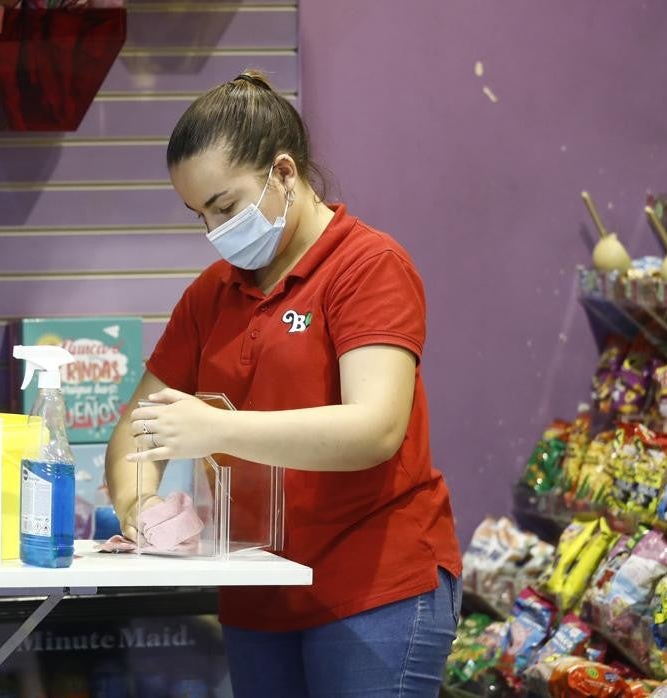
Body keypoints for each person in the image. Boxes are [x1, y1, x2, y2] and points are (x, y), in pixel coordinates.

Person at [104, 71, 463, 697]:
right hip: (257, 593)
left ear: (285, 175)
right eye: (199, 215)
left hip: (372, 591)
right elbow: (138, 430)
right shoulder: (212, 293)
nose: (215, 231)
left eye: (225, 207)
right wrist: (141, 510)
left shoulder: (369, 267)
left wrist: (219, 429)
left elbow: (375, 428)